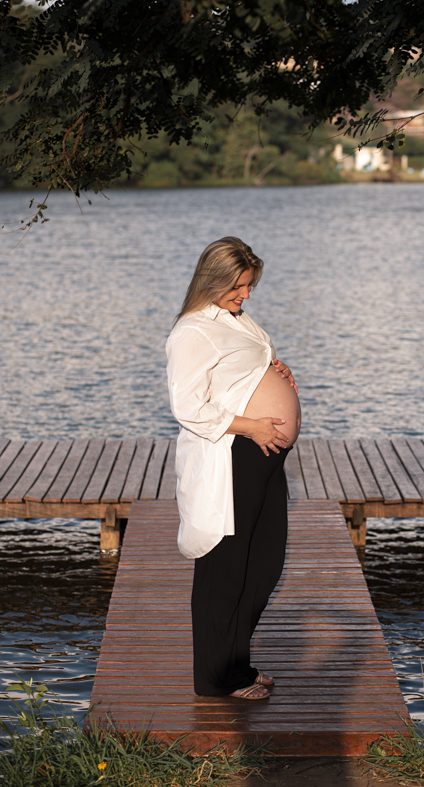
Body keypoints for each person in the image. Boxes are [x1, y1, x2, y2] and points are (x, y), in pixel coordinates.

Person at [166, 236, 301, 700]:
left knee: (263, 566)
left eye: (249, 286)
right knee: (224, 570)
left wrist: (276, 371)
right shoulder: (192, 331)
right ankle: (216, 678)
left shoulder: (234, 319)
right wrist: (253, 426)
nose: (245, 295)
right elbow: (188, 406)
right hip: (232, 455)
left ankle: (236, 663)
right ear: (213, 280)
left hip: (263, 458)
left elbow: (241, 373)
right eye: (238, 287)